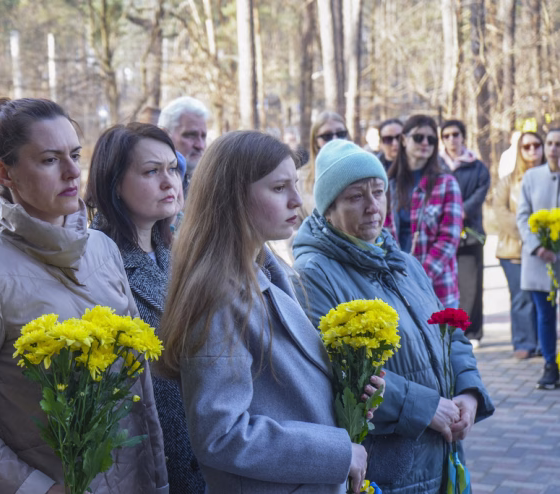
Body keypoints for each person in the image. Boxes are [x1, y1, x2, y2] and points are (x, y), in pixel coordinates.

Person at [0, 98, 169, 494]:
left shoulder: (103, 249)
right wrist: (36, 488)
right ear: (5, 173)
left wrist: (157, 481)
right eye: (50, 160)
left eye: (75, 155)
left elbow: (138, 386)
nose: (72, 172)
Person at [157, 131, 385, 493]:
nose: (297, 200)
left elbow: (282, 392)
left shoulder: (268, 272)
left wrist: (348, 390)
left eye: (295, 185)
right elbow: (221, 435)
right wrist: (336, 453)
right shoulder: (218, 296)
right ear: (233, 197)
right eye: (279, 188)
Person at [291, 140, 494, 494]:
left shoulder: (404, 263)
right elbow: (339, 371)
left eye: (378, 192)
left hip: (441, 455)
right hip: (390, 468)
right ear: (329, 208)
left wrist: (468, 392)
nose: (373, 206)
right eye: (356, 197)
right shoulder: (313, 274)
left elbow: (450, 334)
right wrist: (425, 408)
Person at [85, 123, 203, 493]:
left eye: (173, 169)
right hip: (144, 461)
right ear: (114, 184)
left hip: (201, 449)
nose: (170, 182)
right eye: (151, 171)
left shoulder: (178, 252)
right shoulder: (96, 262)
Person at [384, 114, 463, 309]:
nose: (425, 143)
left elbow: (449, 239)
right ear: (404, 140)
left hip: (437, 289)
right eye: (419, 137)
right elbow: (381, 233)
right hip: (396, 287)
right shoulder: (388, 184)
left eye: (431, 139)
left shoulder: (446, 184)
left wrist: (419, 277)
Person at [439, 119, 490, 346]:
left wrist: (457, 212)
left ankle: (472, 332)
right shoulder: (437, 166)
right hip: (442, 234)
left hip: (470, 234)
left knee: (471, 286)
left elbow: (480, 195)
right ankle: (447, 330)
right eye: (446, 135)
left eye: (455, 134)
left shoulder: (477, 167)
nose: (451, 139)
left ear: (463, 137)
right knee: (446, 285)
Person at [516, 131, 560, 389]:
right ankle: (549, 365)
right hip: (539, 260)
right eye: (550, 143)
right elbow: (522, 216)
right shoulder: (532, 177)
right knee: (545, 315)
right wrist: (538, 247)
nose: (554, 148)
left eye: (558, 144)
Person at [493, 132, 541, 360]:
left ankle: (542, 342)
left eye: (536, 145)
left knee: (542, 298)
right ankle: (523, 342)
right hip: (513, 250)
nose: (532, 150)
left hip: (544, 250)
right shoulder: (507, 182)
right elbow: (501, 212)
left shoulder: (552, 178)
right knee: (521, 297)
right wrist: (529, 235)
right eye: (526, 146)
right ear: (519, 150)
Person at [299, 111, 349, 217]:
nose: (335, 140)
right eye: (327, 136)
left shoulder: (361, 171)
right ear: (315, 142)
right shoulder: (301, 178)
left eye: (341, 134)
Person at [157, 96, 209, 188]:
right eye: (191, 135)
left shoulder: (210, 184)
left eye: (203, 136)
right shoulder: (149, 185)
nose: (200, 145)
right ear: (164, 135)